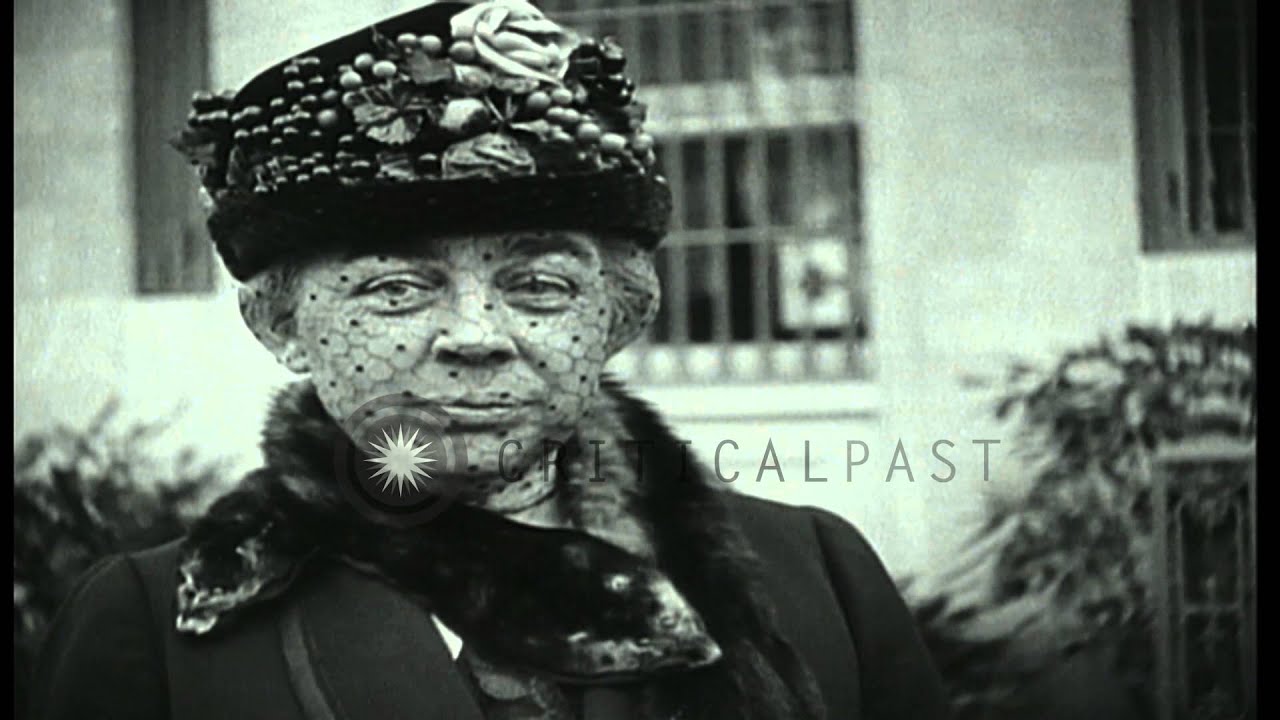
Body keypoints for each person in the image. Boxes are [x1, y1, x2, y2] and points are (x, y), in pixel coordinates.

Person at [30, 2, 948, 718]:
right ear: (280, 327)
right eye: (396, 290)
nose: (477, 333)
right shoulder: (157, 629)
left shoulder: (817, 577)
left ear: (618, 316)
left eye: (539, 286)